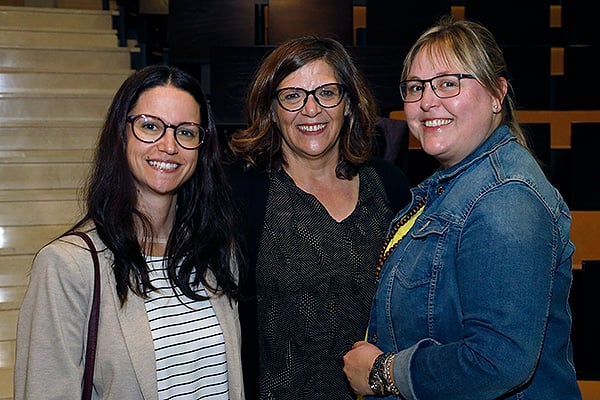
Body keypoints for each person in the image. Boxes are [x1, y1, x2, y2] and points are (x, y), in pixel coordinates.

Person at [342, 16, 582, 400]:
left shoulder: (504, 198)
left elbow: (497, 361)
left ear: (497, 94)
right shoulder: (454, 186)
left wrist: (383, 372)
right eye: (415, 87)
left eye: (448, 83)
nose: (427, 101)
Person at [14, 64, 245, 400]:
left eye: (186, 131)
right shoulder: (68, 265)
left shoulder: (216, 252)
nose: (169, 146)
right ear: (121, 134)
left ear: (201, 146)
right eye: (150, 126)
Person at [225, 36, 411, 399]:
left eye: (326, 92)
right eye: (293, 96)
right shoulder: (240, 192)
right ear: (271, 110)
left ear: (348, 103)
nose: (311, 110)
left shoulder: (390, 185)